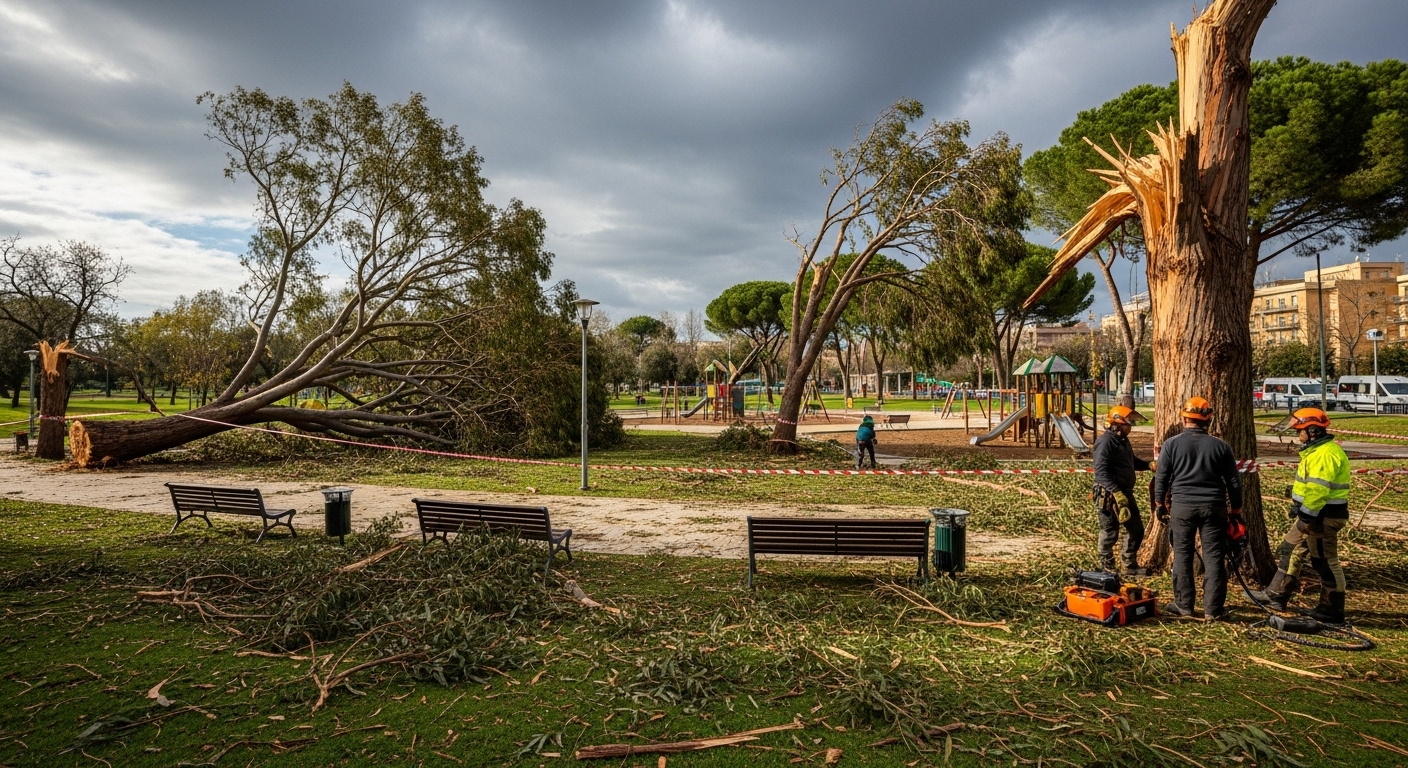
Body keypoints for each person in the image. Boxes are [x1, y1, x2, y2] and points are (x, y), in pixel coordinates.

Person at [1247, 407, 1351, 623]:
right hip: (1314, 516)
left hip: (1322, 518)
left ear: (1312, 431)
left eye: (1299, 431)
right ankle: (1277, 594)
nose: (1297, 435)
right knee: (1290, 548)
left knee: (1324, 561)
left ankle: (1332, 608)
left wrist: (1306, 517)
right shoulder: (1316, 451)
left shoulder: (1325, 455)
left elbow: (1318, 491)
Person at [1152, 396, 1243, 620]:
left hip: (1182, 507)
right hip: (1214, 507)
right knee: (1214, 557)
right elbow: (1233, 482)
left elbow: (1161, 477)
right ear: (1208, 420)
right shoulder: (1221, 446)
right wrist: (1236, 510)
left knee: (1182, 555)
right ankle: (1213, 610)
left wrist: (1159, 504)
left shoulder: (1171, 445)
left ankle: (1184, 606)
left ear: (1184, 419)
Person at [1092, 405, 1155, 576]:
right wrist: (1116, 492)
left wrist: (1148, 465)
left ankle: (1129, 565)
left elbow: (1131, 461)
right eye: (1128, 423)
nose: (1131, 427)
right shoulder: (1105, 442)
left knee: (1136, 530)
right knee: (1110, 531)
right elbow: (1101, 472)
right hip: (1108, 495)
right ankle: (1107, 567)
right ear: (1117, 424)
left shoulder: (1122, 440)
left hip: (1125, 492)